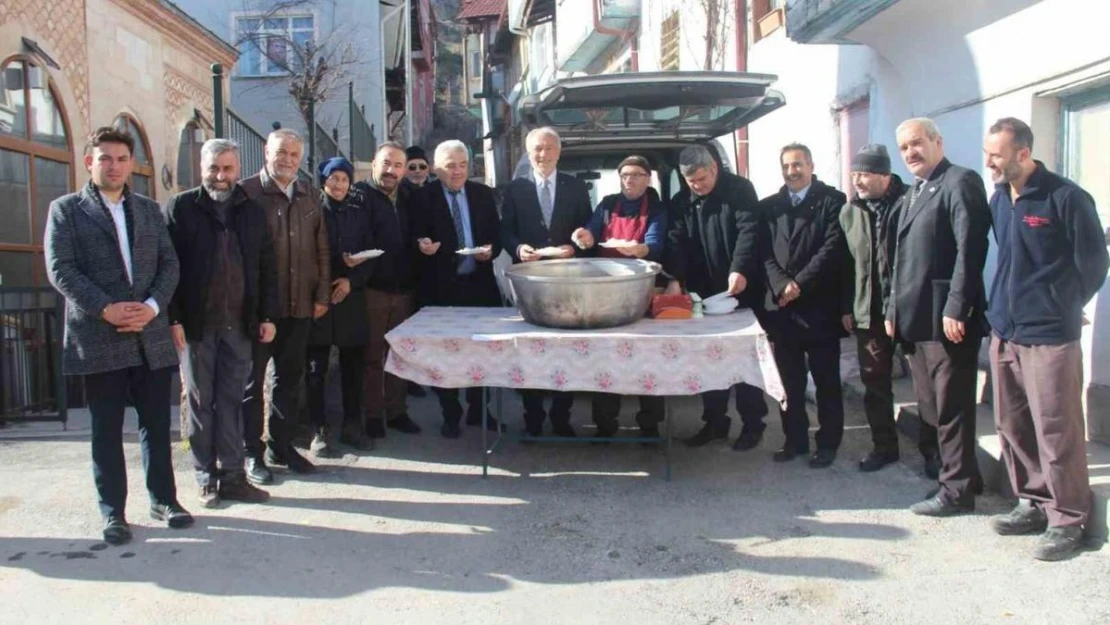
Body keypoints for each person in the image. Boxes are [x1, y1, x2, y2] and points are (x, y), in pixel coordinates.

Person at [45, 126, 190, 544]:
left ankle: (164, 500)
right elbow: (61, 269)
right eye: (104, 158)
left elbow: (170, 263)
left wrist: (152, 308)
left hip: (149, 332)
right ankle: (114, 512)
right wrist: (105, 308)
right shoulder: (66, 210)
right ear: (89, 162)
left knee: (157, 426)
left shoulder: (147, 209)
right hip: (99, 334)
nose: (113, 166)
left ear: (131, 164)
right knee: (106, 429)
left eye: (121, 159)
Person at [983, 117, 1108, 560]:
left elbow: (1093, 263)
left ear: (1023, 153)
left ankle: (1067, 517)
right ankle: (1032, 502)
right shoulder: (1000, 199)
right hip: (1006, 332)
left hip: (1050, 335)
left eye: (996, 155)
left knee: (1056, 429)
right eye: (987, 153)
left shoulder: (1066, 197)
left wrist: (1063, 306)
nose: (989, 162)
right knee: (1012, 426)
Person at [887, 117, 990, 517]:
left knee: (952, 408)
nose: (911, 153)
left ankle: (957, 492)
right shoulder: (914, 192)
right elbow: (899, 262)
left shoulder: (960, 182)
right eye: (904, 148)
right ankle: (963, 475)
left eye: (917, 143)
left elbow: (971, 248)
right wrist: (893, 310)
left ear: (937, 142)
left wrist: (957, 306)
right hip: (917, 320)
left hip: (947, 318)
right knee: (932, 407)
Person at [165, 139, 276, 507]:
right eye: (214, 168)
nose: (221, 176)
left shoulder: (251, 211)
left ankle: (233, 477)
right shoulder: (182, 208)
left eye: (228, 169)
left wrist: (266, 316)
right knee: (200, 404)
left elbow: (265, 268)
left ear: (238, 169)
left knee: (232, 401)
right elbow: (169, 269)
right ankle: (205, 477)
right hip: (197, 327)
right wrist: (174, 318)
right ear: (202, 168)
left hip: (239, 326)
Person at [239, 128, 330, 483]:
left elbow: (322, 247)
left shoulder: (309, 195)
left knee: (290, 379)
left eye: (294, 154)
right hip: (260, 309)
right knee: (253, 383)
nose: (288, 160)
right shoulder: (246, 194)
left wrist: (321, 294)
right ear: (266, 152)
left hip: (300, 305)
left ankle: (282, 444)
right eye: (282, 153)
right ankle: (251, 452)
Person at [665, 145, 770, 450]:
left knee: (744, 359)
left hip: (740, 290)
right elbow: (676, 241)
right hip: (703, 294)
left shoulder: (739, 189)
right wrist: (675, 279)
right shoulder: (681, 201)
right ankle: (715, 422)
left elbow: (749, 231)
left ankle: (753, 424)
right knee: (707, 360)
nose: (697, 186)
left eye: (701, 179)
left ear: (714, 168)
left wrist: (740, 269)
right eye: (691, 182)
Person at [499, 126, 593, 438]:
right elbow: (506, 231)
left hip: (567, 281)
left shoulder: (575, 187)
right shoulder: (515, 188)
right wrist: (517, 248)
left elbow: (586, 227)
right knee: (530, 350)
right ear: (528, 152)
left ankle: (562, 417)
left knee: (563, 350)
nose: (543, 155)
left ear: (559, 152)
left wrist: (576, 244)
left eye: (549, 148)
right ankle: (533, 417)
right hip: (529, 282)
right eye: (537, 149)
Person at [759, 144, 848, 468]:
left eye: (797, 164)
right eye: (786, 166)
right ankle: (794, 440)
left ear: (811, 165)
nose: (791, 171)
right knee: (789, 383)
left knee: (826, 382)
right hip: (782, 309)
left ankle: (827, 443)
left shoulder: (833, 201)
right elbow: (763, 252)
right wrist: (783, 284)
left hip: (820, 307)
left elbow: (832, 248)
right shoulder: (769, 207)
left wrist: (800, 284)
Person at [572, 155, 667, 440]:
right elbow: (591, 232)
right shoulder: (607, 204)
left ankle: (649, 425)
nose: (630, 180)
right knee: (606, 358)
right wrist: (584, 236)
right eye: (625, 175)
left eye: (637, 174)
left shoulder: (659, 208)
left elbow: (655, 244)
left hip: (642, 291)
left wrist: (639, 250)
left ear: (648, 178)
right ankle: (604, 424)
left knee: (647, 359)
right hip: (606, 292)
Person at [414, 141, 504, 438]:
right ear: (436, 168)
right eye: (450, 165)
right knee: (445, 355)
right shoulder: (422, 197)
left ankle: (479, 409)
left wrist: (490, 250)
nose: (457, 171)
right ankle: (450, 412)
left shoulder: (482, 194)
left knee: (482, 352)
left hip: (479, 286)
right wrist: (423, 245)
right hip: (441, 288)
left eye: (463, 165)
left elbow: (496, 234)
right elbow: (414, 235)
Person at [839, 144, 908, 472]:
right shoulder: (850, 212)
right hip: (870, 313)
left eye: (864, 174)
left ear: (884, 174)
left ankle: (935, 453)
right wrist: (848, 306)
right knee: (875, 382)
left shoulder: (911, 201)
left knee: (929, 387)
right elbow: (846, 266)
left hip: (911, 311)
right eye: (854, 175)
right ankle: (884, 447)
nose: (857, 181)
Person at [306, 157, 378, 458]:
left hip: (350, 298)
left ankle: (352, 424)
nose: (338, 185)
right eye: (333, 178)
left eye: (344, 180)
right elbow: (304, 257)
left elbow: (372, 254)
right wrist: (323, 291)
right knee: (315, 369)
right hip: (319, 300)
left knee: (353, 367)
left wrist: (351, 278)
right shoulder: (311, 211)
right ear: (323, 180)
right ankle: (318, 429)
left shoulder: (358, 213)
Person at [356, 142, 423, 437]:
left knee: (400, 354)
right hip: (373, 289)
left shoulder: (410, 196)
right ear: (374, 163)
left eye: (398, 166)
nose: (391, 171)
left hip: (405, 288)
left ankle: (396, 411)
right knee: (372, 356)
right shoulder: (359, 195)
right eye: (386, 163)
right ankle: (372, 415)